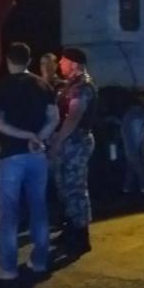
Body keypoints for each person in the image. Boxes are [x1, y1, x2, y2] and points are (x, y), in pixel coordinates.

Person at [0, 42, 59, 280]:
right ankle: (40, 261)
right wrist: (38, 138)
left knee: (8, 212)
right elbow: (53, 119)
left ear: (8, 60)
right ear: (29, 60)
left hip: (11, 156)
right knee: (39, 207)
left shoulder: (2, 88)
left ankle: (7, 267)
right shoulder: (43, 85)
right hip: (37, 156)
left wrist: (25, 136)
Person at [48, 47, 98, 257]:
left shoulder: (83, 86)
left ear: (74, 64)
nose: (60, 63)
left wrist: (57, 142)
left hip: (75, 142)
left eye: (64, 61)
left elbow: (74, 116)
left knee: (76, 189)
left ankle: (81, 236)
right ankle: (70, 229)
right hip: (68, 142)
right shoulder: (71, 85)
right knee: (64, 187)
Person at [121, 104, 144, 194]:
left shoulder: (129, 117)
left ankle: (129, 186)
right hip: (137, 131)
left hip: (133, 131)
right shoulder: (139, 116)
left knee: (132, 160)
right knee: (134, 160)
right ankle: (141, 184)